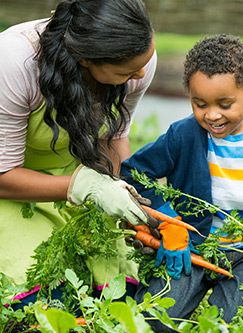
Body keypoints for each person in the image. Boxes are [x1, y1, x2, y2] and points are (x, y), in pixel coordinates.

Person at [120, 34, 243, 331]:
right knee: (153, 320)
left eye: (225, 104)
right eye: (199, 104)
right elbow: (133, 173)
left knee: (228, 323)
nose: (212, 115)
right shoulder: (183, 136)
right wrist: (170, 223)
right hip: (193, 246)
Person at [0, 0, 158, 308]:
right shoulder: (15, 62)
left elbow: (113, 137)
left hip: (79, 175)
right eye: (127, 70)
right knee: (44, 302)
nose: (140, 73)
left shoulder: (138, 63)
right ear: (86, 59)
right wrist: (88, 186)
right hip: (14, 187)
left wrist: (120, 194)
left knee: (118, 297)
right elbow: (3, 175)